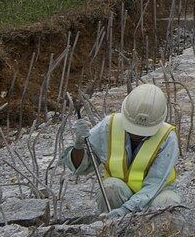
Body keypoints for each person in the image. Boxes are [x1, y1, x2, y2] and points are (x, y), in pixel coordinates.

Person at [67, 84, 183, 219]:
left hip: (158, 192)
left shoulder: (167, 138)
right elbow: (81, 167)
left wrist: (127, 209)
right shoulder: (108, 126)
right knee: (110, 188)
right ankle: (112, 231)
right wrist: (79, 146)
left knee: (166, 204)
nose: (137, 135)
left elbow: (154, 184)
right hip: (122, 191)